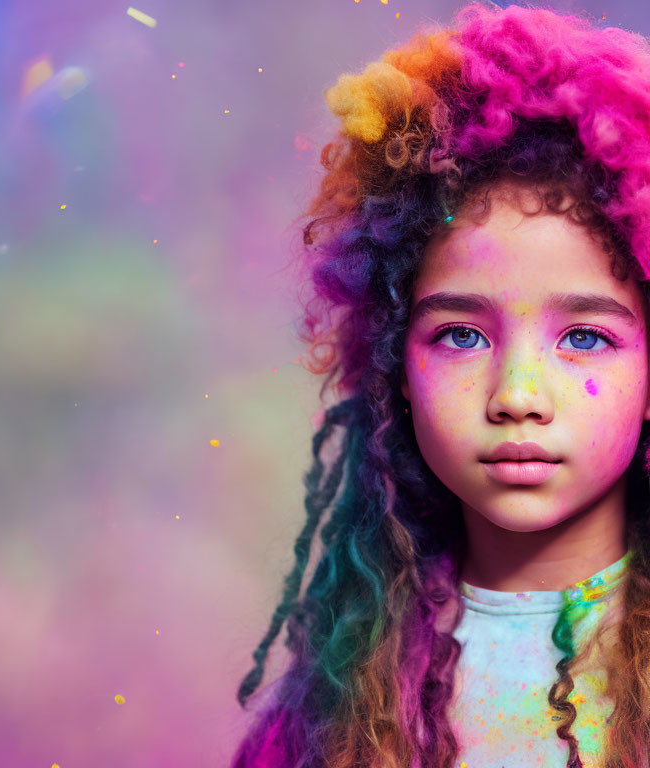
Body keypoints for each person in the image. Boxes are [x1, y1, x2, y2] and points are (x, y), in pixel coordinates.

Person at [227, 2, 650, 766]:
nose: (517, 396)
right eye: (463, 335)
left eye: (584, 337)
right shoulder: (339, 707)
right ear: (396, 367)